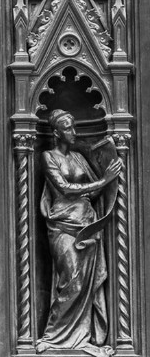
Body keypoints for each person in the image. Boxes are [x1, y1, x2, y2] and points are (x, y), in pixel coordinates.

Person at [36, 110, 120, 356]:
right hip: (63, 226)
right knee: (72, 281)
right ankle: (52, 337)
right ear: (56, 132)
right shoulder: (48, 156)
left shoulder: (78, 158)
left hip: (86, 225)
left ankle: (81, 337)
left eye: (74, 126)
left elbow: (91, 193)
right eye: (68, 128)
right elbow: (64, 188)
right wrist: (104, 180)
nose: (73, 132)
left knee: (86, 283)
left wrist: (108, 176)